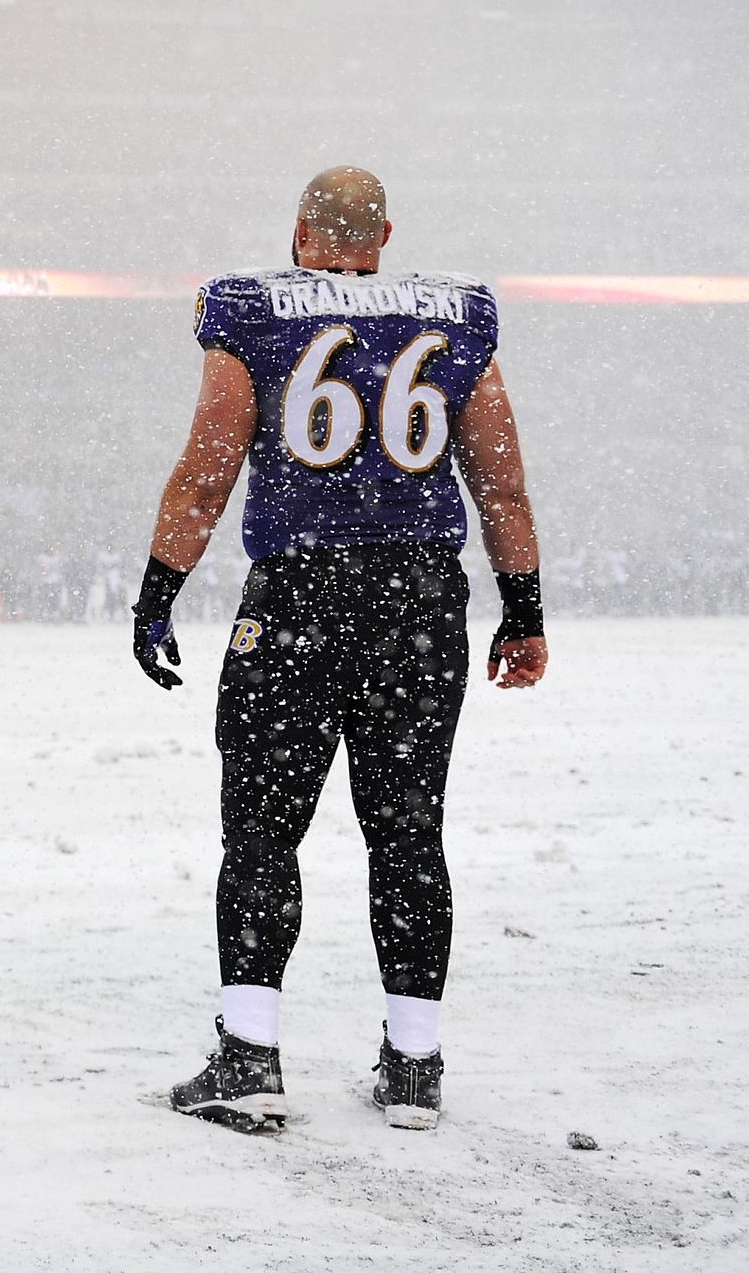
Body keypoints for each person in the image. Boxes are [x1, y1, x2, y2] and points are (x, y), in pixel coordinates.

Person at [131, 165, 547, 1134]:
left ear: (298, 230)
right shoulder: (459, 313)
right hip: (416, 599)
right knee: (406, 831)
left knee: (261, 830)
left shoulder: (248, 306)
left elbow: (206, 470)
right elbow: (502, 487)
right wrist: (522, 613)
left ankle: (248, 1058)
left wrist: (156, 595)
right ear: (385, 234)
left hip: (298, 597)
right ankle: (412, 1066)